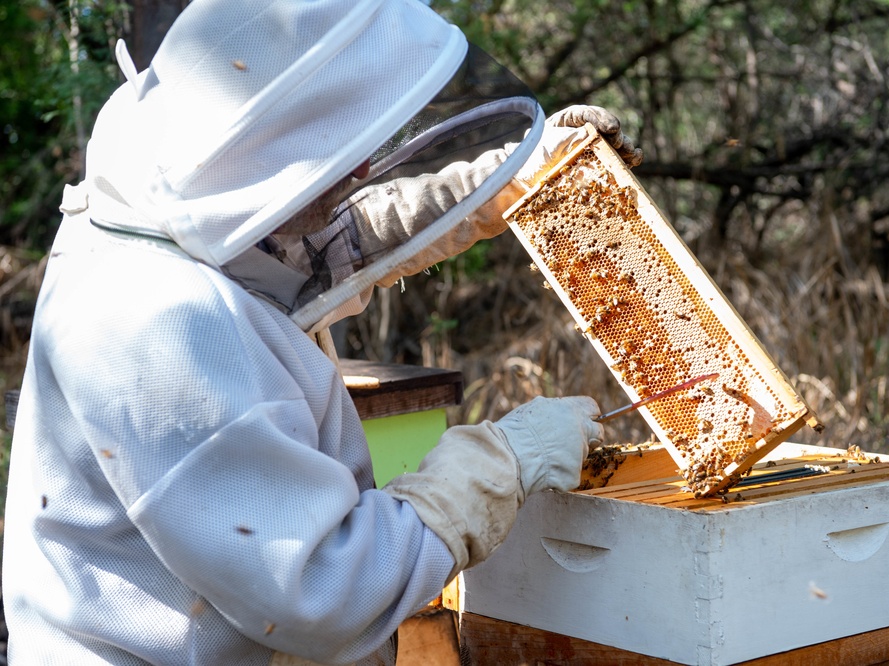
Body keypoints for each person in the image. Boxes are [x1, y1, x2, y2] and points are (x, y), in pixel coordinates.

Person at [1, 1, 642, 664]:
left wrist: (502, 185)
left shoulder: (167, 193)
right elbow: (319, 589)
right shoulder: (159, 326)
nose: (363, 169)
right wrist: (497, 463)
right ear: (266, 149)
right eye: (340, 149)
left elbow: (320, 241)